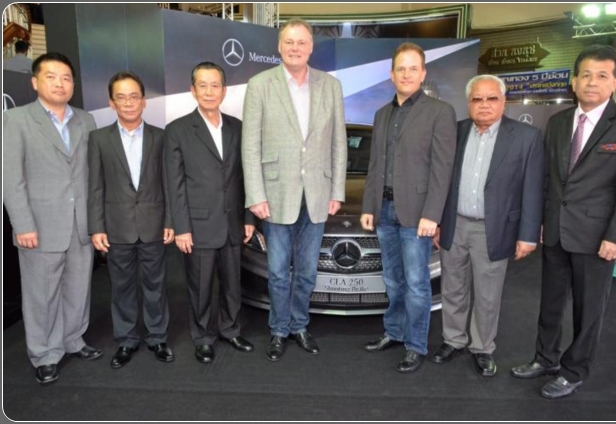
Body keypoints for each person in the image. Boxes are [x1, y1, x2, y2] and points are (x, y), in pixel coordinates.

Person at [510, 45, 616, 398]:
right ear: (573, 82)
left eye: (602, 75)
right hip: (556, 230)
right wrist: (541, 221)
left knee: (589, 310)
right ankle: (545, 358)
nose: (592, 82)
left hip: (598, 236)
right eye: (585, 74)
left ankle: (574, 371)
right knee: (550, 302)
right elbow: (547, 179)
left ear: (614, 83)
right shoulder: (558, 122)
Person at [242, 18, 347, 362]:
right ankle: (278, 329)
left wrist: (337, 190)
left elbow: (338, 142)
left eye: (301, 42)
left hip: (317, 194)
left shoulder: (331, 86)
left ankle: (300, 325)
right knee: (276, 271)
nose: (295, 48)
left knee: (306, 271)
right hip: (275, 195)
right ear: (279, 46)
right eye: (289, 42)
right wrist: (255, 194)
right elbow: (250, 144)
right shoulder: (260, 85)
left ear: (311, 47)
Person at [430, 75, 544, 377]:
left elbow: (533, 189)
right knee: (453, 288)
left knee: (488, 294)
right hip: (454, 224)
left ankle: (482, 347)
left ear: (504, 102)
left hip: (494, 229)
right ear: (468, 103)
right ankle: (453, 340)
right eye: (477, 99)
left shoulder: (526, 137)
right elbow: (440, 180)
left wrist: (528, 235)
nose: (484, 105)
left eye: (491, 98)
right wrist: (438, 221)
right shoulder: (454, 132)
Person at [3, 52, 101, 385]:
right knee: (41, 293)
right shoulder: (16, 120)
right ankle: (45, 353)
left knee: (78, 287)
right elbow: (11, 178)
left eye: (66, 78)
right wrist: (22, 224)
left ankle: (73, 339)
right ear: (35, 82)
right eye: (51, 77)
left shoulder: (86, 120)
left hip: (80, 223)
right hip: (40, 226)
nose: (60, 83)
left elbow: (91, 174)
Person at [360, 42, 457, 373]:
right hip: (385, 210)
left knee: (416, 283)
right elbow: (375, 165)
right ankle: (394, 332)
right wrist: (369, 205)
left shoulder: (440, 112)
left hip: (418, 214)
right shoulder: (381, 114)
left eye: (413, 68)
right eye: (400, 68)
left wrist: (432, 214)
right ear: (391, 74)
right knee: (392, 279)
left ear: (423, 73)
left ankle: (415, 345)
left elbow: (443, 169)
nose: (406, 74)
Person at [164, 62, 255, 364]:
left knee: (233, 285)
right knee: (200, 287)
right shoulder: (177, 130)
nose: (209, 91)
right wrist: (181, 227)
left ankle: (231, 329)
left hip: (233, 222)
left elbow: (246, 176)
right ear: (193, 90)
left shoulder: (237, 127)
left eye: (215, 85)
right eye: (202, 85)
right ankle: (203, 337)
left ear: (224, 91)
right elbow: (174, 183)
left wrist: (249, 218)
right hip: (198, 224)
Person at [87, 71, 175, 369]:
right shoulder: (98, 139)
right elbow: (95, 186)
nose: (128, 103)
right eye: (121, 97)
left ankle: (157, 337)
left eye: (134, 96)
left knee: (156, 285)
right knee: (121, 287)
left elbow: (169, 183)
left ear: (144, 101)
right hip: (117, 227)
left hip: (154, 224)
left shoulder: (161, 137)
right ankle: (126, 340)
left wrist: (170, 220)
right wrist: (96, 227)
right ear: (111, 103)